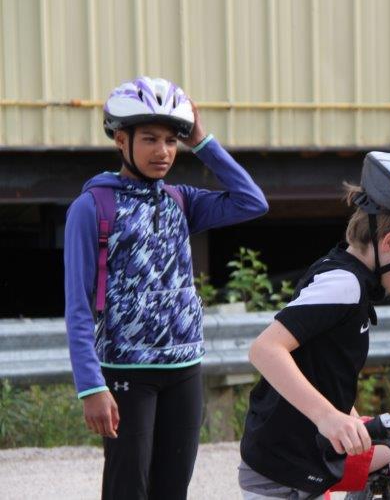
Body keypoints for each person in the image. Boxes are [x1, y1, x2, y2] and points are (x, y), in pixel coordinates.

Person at [64, 76, 268, 500]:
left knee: (172, 491)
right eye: (150, 139)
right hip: (125, 374)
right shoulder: (92, 207)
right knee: (127, 490)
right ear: (121, 140)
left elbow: (252, 200)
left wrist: (202, 139)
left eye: (172, 141)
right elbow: (78, 305)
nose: (163, 152)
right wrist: (91, 385)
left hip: (184, 370)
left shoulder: (181, 200)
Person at [239, 151, 390, 499]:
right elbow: (265, 350)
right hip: (286, 465)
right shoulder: (344, 284)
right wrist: (329, 418)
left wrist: (348, 419)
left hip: (313, 448)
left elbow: (319, 368)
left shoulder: (352, 281)